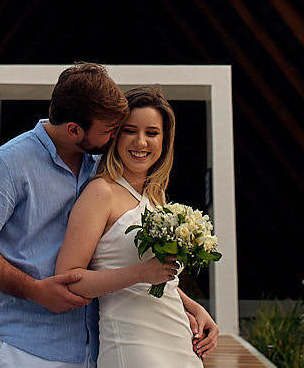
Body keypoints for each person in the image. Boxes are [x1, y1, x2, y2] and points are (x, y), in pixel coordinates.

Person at [0, 63, 128, 367]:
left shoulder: (100, 165)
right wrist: (34, 291)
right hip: (22, 347)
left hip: (90, 349)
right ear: (73, 129)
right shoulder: (8, 164)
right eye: (107, 131)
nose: (113, 139)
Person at [55, 85, 217, 366]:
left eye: (152, 133)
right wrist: (141, 273)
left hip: (176, 335)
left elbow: (159, 277)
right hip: (131, 343)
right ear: (115, 135)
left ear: (164, 141)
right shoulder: (101, 193)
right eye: (130, 130)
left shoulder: (156, 199)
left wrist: (193, 306)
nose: (141, 142)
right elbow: (70, 280)